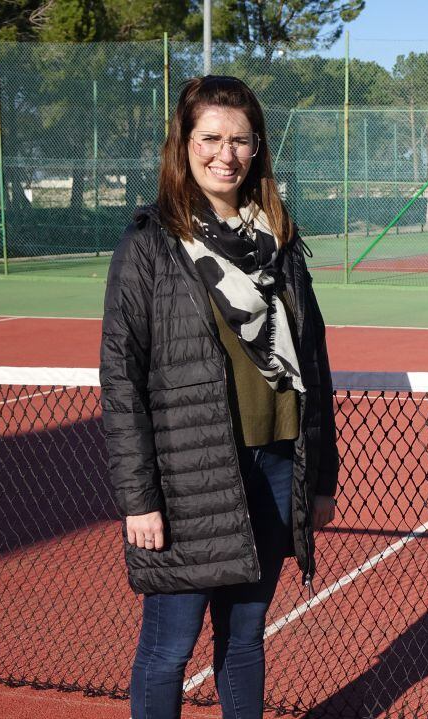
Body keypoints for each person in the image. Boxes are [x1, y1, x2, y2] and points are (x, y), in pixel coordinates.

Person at [100, 75, 338, 719]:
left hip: (277, 463)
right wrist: (139, 498)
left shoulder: (281, 242)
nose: (225, 154)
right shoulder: (150, 244)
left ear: (258, 148)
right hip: (190, 476)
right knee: (168, 650)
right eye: (210, 138)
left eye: (240, 140)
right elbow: (121, 380)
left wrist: (320, 480)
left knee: (244, 641)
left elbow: (312, 366)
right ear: (184, 145)